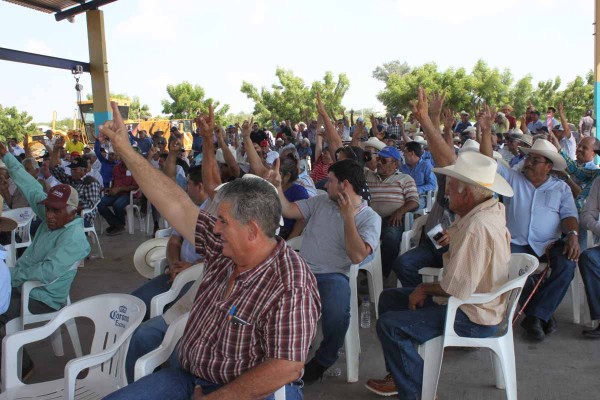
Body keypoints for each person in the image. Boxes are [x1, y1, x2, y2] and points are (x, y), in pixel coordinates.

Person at [100, 102, 320, 400]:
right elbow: (176, 204)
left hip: (253, 391)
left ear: (252, 230)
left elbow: (286, 366)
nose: (214, 229)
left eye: (222, 222)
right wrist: (125, 148)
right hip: (187, 378)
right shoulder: (224, 247)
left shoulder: (291, 282)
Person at [365, 150, 514, 398]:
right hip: (475, 303)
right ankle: (401, 375)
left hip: (472, 315)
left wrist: (423, 289)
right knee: (389, 299)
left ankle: (419, 392)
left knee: (391, 326)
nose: (445, 192)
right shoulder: (489, 209)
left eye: (451, 187)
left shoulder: (477, 226)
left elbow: (456, 288)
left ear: (466, 193)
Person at [272, 158, 381, 384]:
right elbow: (288, 209)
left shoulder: (370, 217)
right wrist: (276, 187)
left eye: (330, 181)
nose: (325, 185)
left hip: (333, 275)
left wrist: (348, 216)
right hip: (300, 270)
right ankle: (275, 359)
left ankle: (323, 359)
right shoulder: (320, 202)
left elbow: (357, 255)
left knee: (339, 311)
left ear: (345, 185)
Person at [479, 115, 580, 342]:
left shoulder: (560, 188)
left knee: (567, 264)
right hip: (515, 242)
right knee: (502, 265)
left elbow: (570, 216)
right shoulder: (513, 179)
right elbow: (487, 161)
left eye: (536, 160)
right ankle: (540, 315)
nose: (529, 163)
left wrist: (572, 235)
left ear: (548, 167)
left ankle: (535, 315)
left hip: (548, 244)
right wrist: (486, 132)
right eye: (529, 158)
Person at [0, 142, 90, 376]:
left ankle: (23, 365)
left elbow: (45, 272)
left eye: (55, 211)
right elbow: (31, 188)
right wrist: (8, 157)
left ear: (73, 211)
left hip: (42, 297)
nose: (48, 215)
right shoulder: (56, 217)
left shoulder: (74, 239)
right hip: (22, 285)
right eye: (47, 209)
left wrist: (9, 276)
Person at [365, 146, 419, 277]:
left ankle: (381, 274)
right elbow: (352, 163)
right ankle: (364, 270)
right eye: (378, 159)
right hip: (369, 219)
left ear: (395, 164)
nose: (378, 162)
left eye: (383, 160)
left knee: (391, 238)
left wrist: (399, 212)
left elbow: (414, 201)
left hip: (392, 219)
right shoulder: (367, 175)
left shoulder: (405, 179)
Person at [97, 156, 139, 236]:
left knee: (117, 204)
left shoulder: (134, 169)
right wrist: (110, 189)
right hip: (116, 193)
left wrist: (119, 189)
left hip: (129, 194)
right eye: (122, 157)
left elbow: (136, 186)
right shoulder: (116, 168)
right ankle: (117, 225)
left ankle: (118, 226)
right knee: (99, 203)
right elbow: (114, 182)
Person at [400, 141, 437, 209]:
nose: (403, 154)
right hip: (403, 195)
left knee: (404, 206)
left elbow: (433, 185)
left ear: (412, 153)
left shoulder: (426, 165)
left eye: (405, 152)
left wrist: (418, 189)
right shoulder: (403, 168)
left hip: (419, 197)